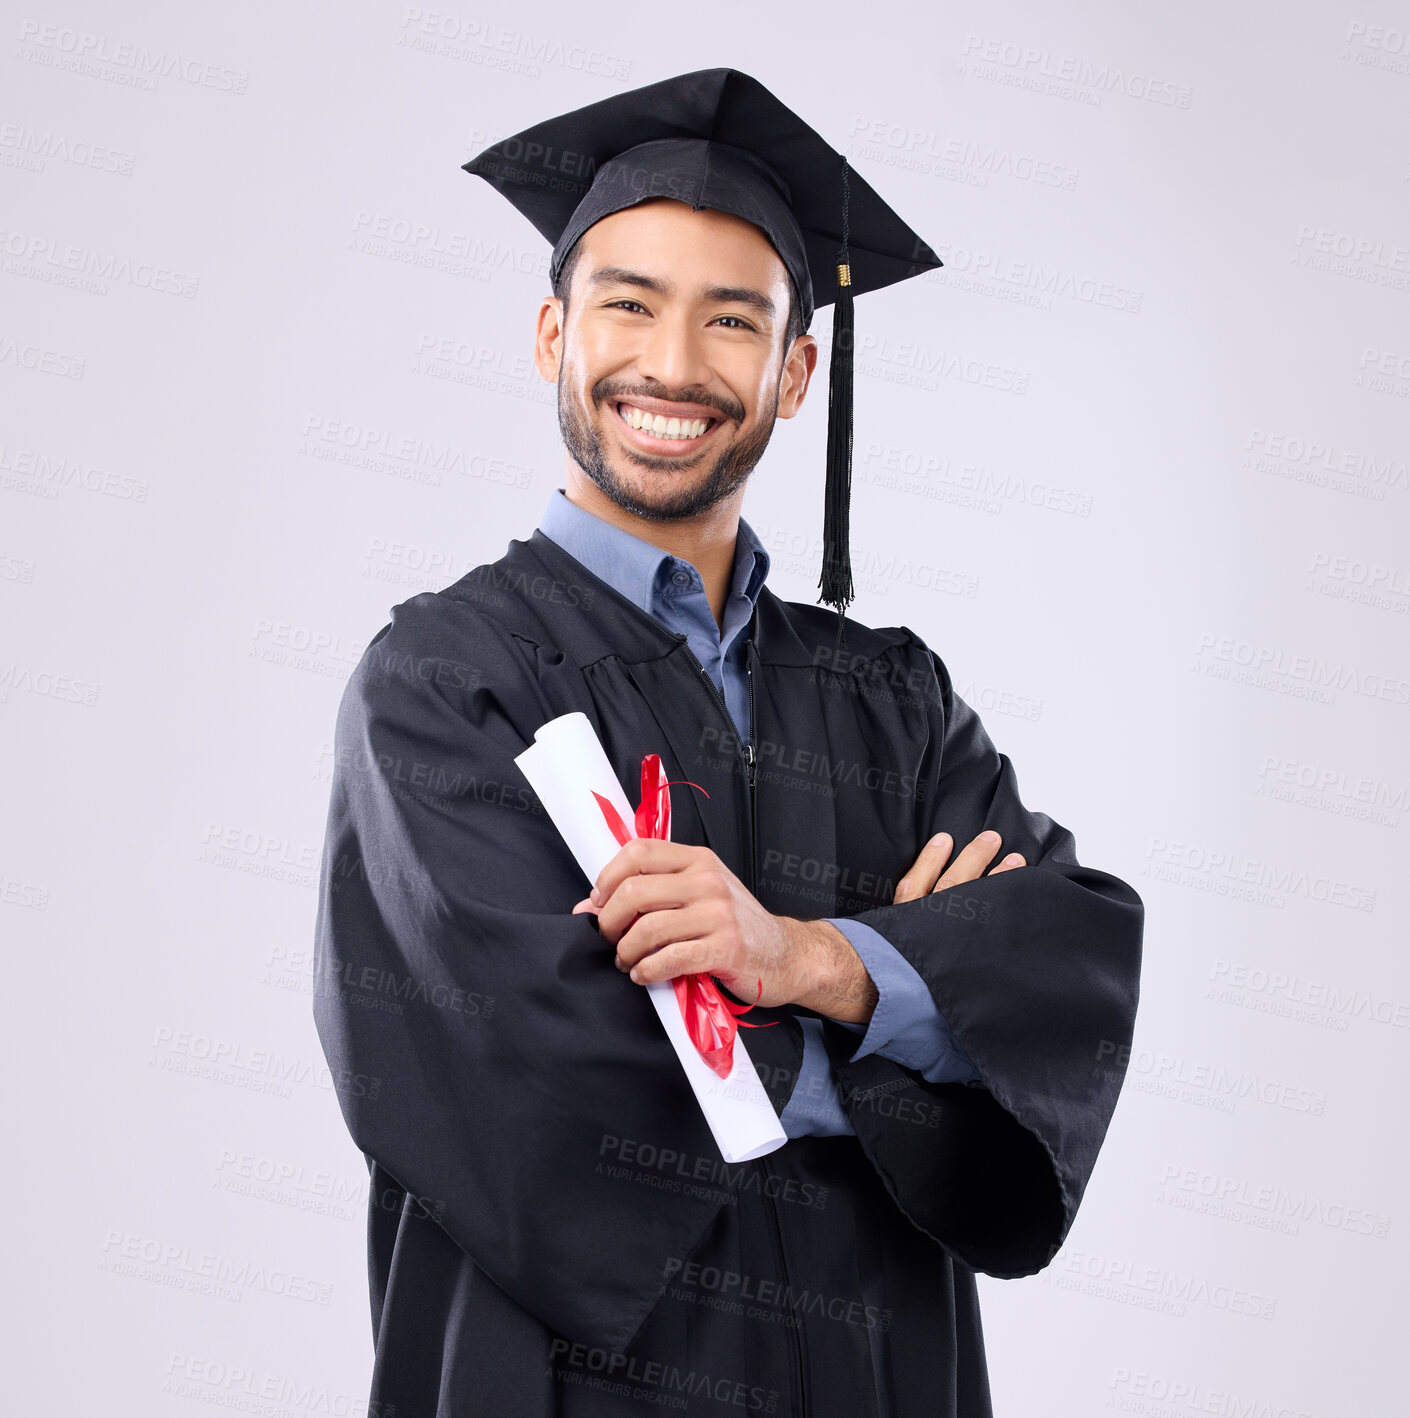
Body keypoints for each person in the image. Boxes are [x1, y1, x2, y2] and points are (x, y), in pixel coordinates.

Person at [312, 68, 1144, 1417]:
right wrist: (894, 1011)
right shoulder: (447, 681)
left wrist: (799, 956)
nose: (673, 365)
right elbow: (518, 1066)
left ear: (794, 369)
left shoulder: (896, 700)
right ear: (550, 336)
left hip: (872, 1375)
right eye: (627, 303)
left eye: (732, 321)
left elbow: (1050, 965)